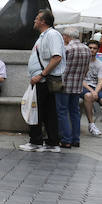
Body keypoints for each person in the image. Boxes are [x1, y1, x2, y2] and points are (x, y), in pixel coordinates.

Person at [19, 9, 65, 152]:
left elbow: (57, 57)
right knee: (46, 112)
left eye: (37, 18)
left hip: (44, 80)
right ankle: (51, 142)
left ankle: (36, 141)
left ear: (43, 21)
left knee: (37, 111)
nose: (34, 21)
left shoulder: (52, 35)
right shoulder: (44, 36)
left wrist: (41, 75)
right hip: (41, 80)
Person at [56, 27, 89, 149]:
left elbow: (62, 68)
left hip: (64, 85)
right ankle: (76, 139)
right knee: (75, 112)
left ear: (66, 36)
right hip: (78, 85)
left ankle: (66, 139)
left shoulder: (67, 49)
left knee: (62, 111)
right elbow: (86, 69)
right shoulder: (86, 49)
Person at [83, 40, 102, 135]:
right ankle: (91, 124)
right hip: (84, 86)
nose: (92, 50)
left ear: (98, 50)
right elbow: (80, 80)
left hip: (95, 87)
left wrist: (95, 92)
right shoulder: (83, 62)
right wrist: (92, 91)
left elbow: (101, 81)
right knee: (88, 96)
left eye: (94, 48)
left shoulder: (100, 64)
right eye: (90, 48)